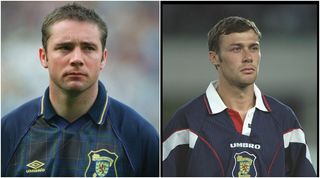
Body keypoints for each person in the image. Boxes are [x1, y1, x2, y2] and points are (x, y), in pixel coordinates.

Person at [1, 3, 159, 177]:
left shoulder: (138, 136)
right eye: (65, 48)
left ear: (103, 59)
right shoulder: (9, 132)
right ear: (43, 56)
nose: (77, 59)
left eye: (88, 48)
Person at [162, 16, 316, 176]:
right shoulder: (187, 121)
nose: (248, 57)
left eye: (254, 48)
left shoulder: (285, 119)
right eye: (237, 49)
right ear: (214, 58)